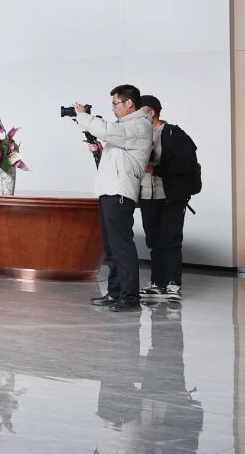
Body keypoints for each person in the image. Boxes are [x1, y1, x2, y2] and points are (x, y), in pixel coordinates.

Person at [74, 85, 153, 312]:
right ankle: (115, 292)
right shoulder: (125, 128)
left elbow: (107, 130)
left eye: (115, 103)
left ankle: (130, 298)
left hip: (120, 192)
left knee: (121, 245)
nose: (113, 108)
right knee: (111, 247)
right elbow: (116, 160)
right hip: (109, 190)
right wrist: (99, 151)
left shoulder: (138, 125)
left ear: (129, 103)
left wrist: (83, 116)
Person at [136, 95, 198, 304]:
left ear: (151, 112)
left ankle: (173, 284)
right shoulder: (137, 135)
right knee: (153, 241)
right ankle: (157, 283)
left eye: (140, 111)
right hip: (147, 197)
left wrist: (155, 169)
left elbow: (185, 164)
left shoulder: (173, 133)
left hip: (172, 197)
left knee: (170, 240)